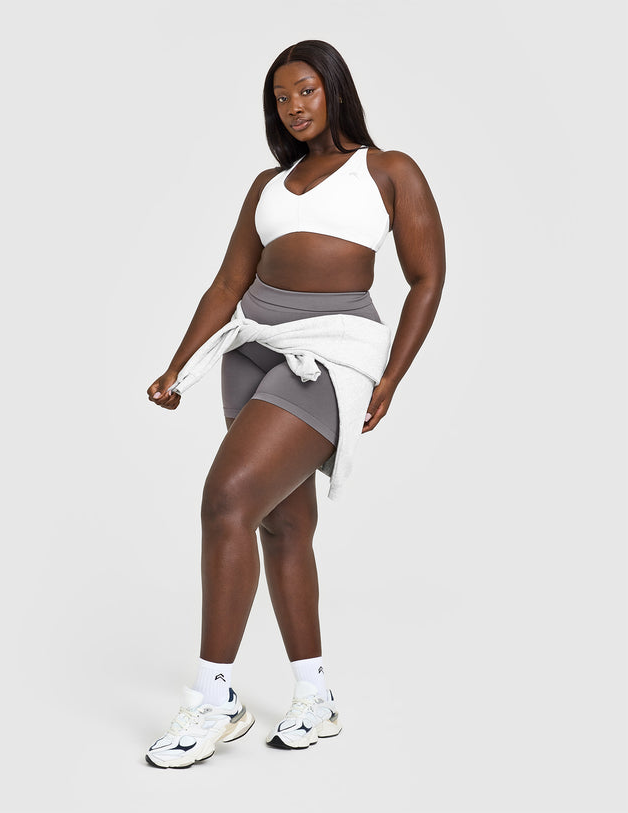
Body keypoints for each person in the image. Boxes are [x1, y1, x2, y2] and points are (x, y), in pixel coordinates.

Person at [144, 39, 445, 768]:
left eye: (305, 90)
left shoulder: (388, 170)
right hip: (253, 348)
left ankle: (214, 697)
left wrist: (390, 378)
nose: (293, 106)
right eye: (281, 97)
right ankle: (316, 694)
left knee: (226, 500)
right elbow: (228, 284)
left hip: (330, 352)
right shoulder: (268, 185)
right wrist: (178, 366)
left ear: (335, 90)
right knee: (281, 525)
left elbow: (428, 276)